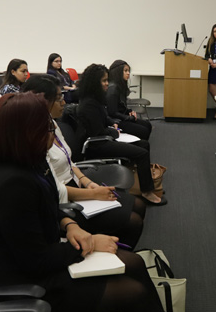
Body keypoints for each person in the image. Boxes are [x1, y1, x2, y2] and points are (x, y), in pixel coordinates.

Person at [0, 93, 216, 312]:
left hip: (40, 259)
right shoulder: (11, 184)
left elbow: (49, 208)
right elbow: (35, 262)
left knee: (135, 264)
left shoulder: (26, 163)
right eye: (47, 129)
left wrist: (70, 225)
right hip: (25, 286)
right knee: (132, 291)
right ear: (26, 134)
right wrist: (88, 245)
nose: (53, 134)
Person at [24, 74, 145, 247]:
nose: (64, 103)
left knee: (138, 205)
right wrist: (93, 194)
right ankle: (114, 256)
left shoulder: (51, 123)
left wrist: (87, 182)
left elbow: (69, 161)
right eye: (59, 99)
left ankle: (114, 252)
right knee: (133, 221)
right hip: (62, 201)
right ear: (42, 101)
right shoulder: (35, 137)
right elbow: (53, 189)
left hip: (75, 185)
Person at [77, 64, 165, 206]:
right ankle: (146, 191)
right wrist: (114, 131)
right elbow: (98, 132)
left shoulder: (95, 100)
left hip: (105, 138)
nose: (107, 84)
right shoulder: (88, 105)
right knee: (141, 153)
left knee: (144, 144)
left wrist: (112, 123)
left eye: (107, 80)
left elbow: (105, 118)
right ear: (95, 83)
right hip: (97, 145)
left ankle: (145, 182)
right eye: (104, 81)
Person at [107, 59, 152, 140]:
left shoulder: (119, 86)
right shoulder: (112, 89)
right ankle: (138, 147)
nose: (128, 73)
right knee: (144, 131)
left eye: (128, 71)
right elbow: (112, 112)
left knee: (148, 125)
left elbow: (120, 106)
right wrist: (127, 117)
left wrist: (129, 111)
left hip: (121, 117)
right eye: (125, 71)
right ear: (118, 72)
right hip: (115, 121)